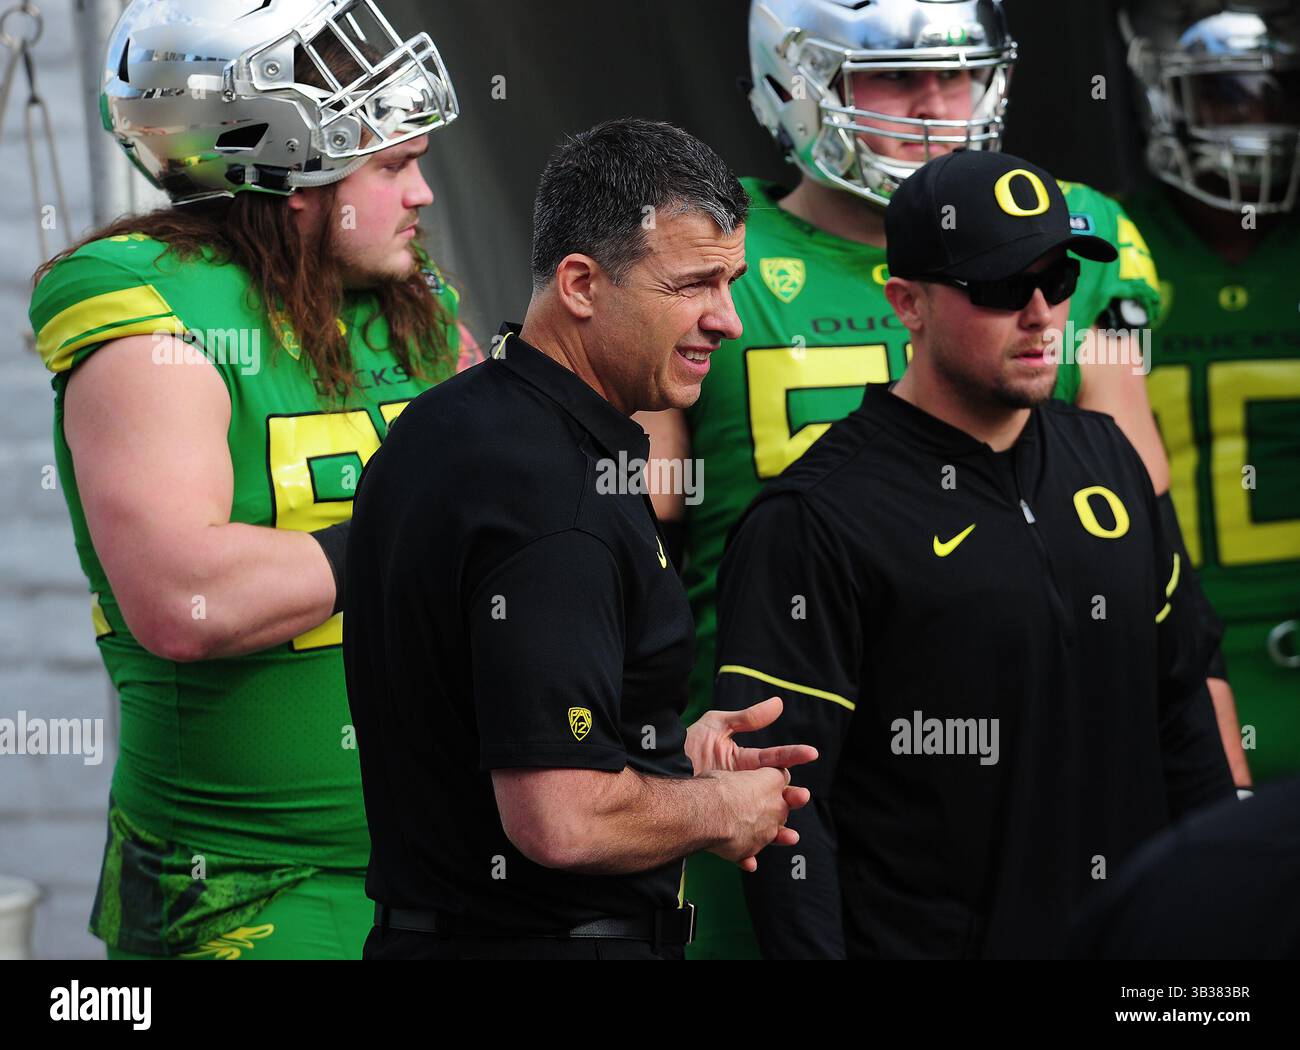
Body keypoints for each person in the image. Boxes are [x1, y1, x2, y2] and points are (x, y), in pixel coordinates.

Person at [639, 0, 1249, 960]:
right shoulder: (701, 244)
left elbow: (1159, 610)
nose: (935, 104)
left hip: (1052, 750)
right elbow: (625, 526)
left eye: (957, 72)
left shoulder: (1080, 231)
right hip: (797, 737)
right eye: (893, 75)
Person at [27, 0, 468, 960]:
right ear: (286, 171)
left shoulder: (412, 301)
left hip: (455, 860)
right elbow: (188, 596)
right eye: (391, 164)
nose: (423, 194)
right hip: (246, 887)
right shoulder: (150, 305)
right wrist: (425, 531)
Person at [344, 118, 817, 961]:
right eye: (695, 285)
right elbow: (560, 817)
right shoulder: (553, 489)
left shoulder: (451, 421)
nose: (729, 320)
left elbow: (484, 713)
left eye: (733, 281)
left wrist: (663, 752)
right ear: (581, 284)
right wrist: (721, 808)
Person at [1120, 0, 1300, 783]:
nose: (1258, 117)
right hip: (1172, 657)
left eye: (1277, 93)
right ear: (1167, 98)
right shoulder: (1110, 243)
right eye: (1229, 93)